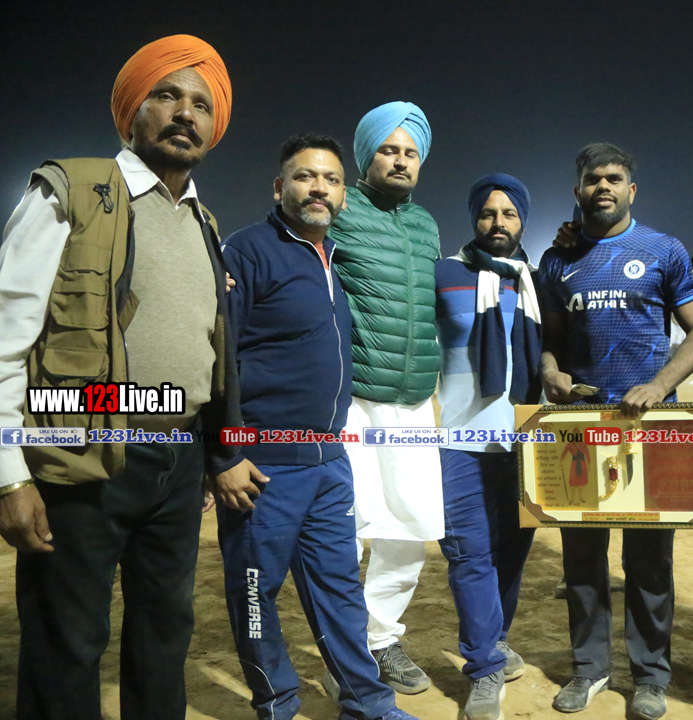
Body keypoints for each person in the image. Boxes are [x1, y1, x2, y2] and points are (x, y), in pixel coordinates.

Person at [0, 35, 243, 719]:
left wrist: (208, 453)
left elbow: (207, 352)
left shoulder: (204, 221)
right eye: (166, 94)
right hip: (83, 453)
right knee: (67, 643)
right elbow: (6, 341)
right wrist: (10, 478)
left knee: (164, 638)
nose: (185, 113)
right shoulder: (72, 192)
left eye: (201, 104)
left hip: (177, 462)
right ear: (133, 110)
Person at [215, 133, 418, 720]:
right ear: (281, 187)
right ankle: (276, 704)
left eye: (330, 180)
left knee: (341, 592)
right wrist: (225, 455)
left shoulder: (336, 261)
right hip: (264, 465)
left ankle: (369, 704)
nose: (319, 189)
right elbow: (218, 358)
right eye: (305, 177)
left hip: (329, 462)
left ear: (343, 196)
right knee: (256, 596)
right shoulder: (247, 251)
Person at [538, 142, 693, 719]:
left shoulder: (663, 250)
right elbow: (550, 341)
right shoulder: (557, 260)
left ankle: (651, 677)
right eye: (593, 179)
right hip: (581, 430)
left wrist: (659, 385)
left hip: (648, 428)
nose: (603, 186)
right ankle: (590, 670)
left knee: (649, 564)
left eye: (614, 178)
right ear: (578, 191)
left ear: (631, 189)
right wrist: (550, 372)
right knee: (582, 562)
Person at [328, 101, 443, 693]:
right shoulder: (340, 209)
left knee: (409, 528)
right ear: (365, 156)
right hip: (353, 398)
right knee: (344, 529)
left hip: (415, 400)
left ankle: (380, 640)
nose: (400, 161)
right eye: (388, 150)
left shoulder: (427, 225)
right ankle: (343, 651)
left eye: (410, 152)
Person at [433, 173, 541, 720]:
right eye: (487, 213)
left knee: (511, 554)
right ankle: (484, 667)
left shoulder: (537, 280)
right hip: (459, 440)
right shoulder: (442, 274)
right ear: (474, 219)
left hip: (526, 443)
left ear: (522, 221)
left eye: (509, 213)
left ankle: (493, 640)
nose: (498, 223)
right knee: (469, 553)